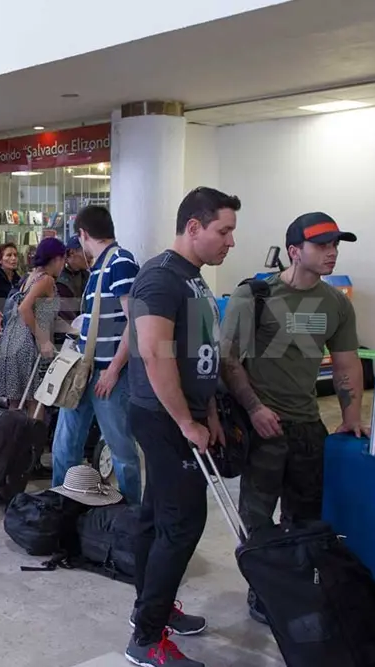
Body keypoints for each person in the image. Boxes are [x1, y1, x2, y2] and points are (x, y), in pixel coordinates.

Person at [219, 211, 365, 625]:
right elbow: (229, 361)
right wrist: (254, 409)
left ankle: (296, 587)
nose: (332, 253)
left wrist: (352, 414)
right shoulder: (255, 296)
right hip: (262, 427)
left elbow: (346, 362)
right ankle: (262, 592)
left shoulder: (336, 304)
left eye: (336, 245)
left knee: (304, 519)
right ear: (294, 251)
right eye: (322, 245)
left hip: (307, 427)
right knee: (258, 520)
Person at [125, 187, 240, 667]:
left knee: (156, 517)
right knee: (182, 524)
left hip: (187, 415)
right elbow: (154, 352)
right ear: (193, 227)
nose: (230, 242)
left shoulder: (194, 278)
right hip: (163, 418)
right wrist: (184, 421)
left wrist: (209, 409)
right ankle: (147, 639)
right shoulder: (159, 277)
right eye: (223, 231)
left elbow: (201, 351)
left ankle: (150, 607)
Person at [49, 206, 142, 504]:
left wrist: (114, 370)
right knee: (65, 444)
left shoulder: (120, 262)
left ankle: (130, 516)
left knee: (121, 450)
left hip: (107, 375)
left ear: (83, 234)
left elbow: (136, 322)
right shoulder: (101, 266)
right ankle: (60, 506)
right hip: (85, 370)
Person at [0, 238, 65, 411]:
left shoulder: (30, 276)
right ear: (57, 259)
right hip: (28, 344)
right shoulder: (46, 280)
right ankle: (32, 438)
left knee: (16, 402)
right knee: (35, 402)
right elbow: (25, 309)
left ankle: (15, 437)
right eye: (63, 259)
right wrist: (43, 340)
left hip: (12, 340)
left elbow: (41, 313)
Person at [56, 236, 91, 326]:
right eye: (86, 252)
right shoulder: (58, 279)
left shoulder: (87, 276)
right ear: (72, 253)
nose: (91, 256)